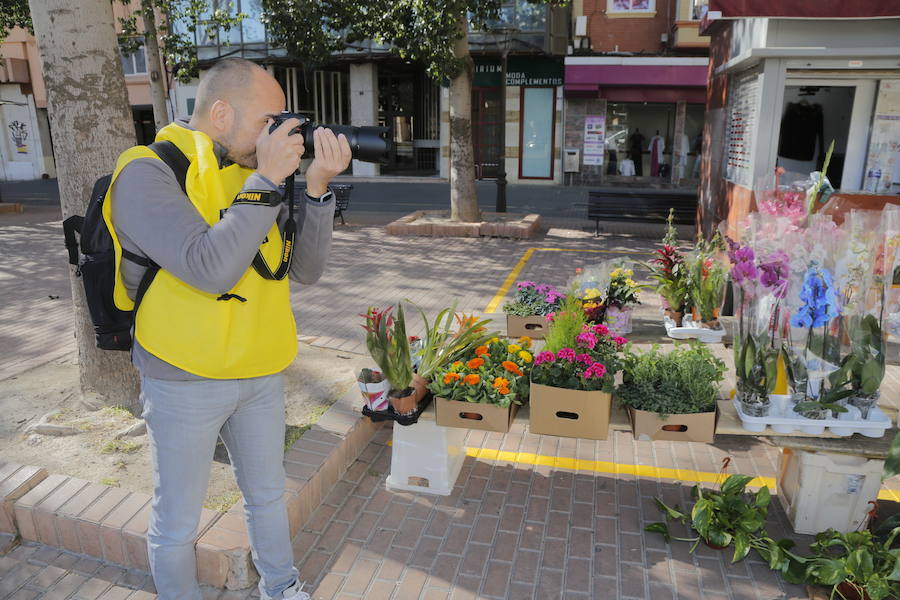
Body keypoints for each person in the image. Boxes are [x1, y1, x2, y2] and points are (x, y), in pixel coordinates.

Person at [104, 57, 352, 600]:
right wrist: (267, 179)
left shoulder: (254, 176)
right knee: (177, 521)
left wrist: (314, 187)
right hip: (183, 378)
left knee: (266, 496)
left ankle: (281, 586)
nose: (282, 132)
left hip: (259, 370)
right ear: (221, 112)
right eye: (270, 120)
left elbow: (305, 270)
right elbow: (210, 268)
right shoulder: (146, 171)